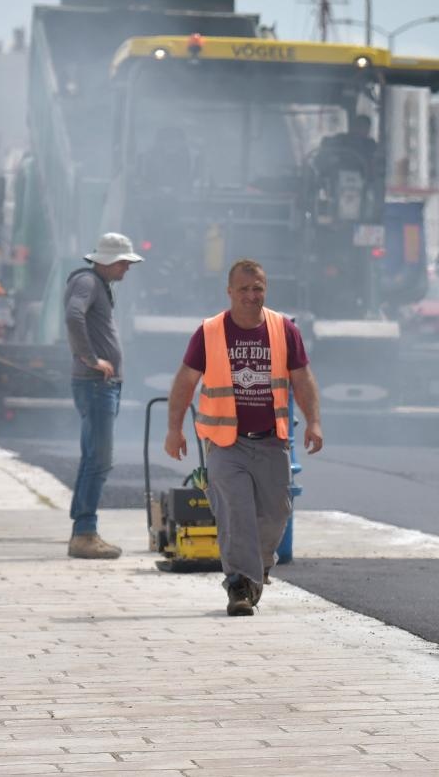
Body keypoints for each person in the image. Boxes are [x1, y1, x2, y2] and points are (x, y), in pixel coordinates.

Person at [165, 259, 323, 616]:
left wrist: (314, 421)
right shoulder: (209, 332)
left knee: (276, 513)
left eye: (258, 289)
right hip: (225, 441)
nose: (251, 296)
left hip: (271, 440)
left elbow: (302, 379)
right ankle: (238, 585)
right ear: (230, 292)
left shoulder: (284, 329)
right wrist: (174, 429)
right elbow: (184, 382)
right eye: (244, 289)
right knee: (235, 512)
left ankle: (257, 566)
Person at [64, 232, 142, 560]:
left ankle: (81, 527)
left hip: (100, 386)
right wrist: (91, 358)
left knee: (91, 458)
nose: (127, 269)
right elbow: (73, 315)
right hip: (96, 385)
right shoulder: (87, 283)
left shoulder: (98, 284)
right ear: (108, 261)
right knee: (100, 460)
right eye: (124, 263)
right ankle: (84, 533)